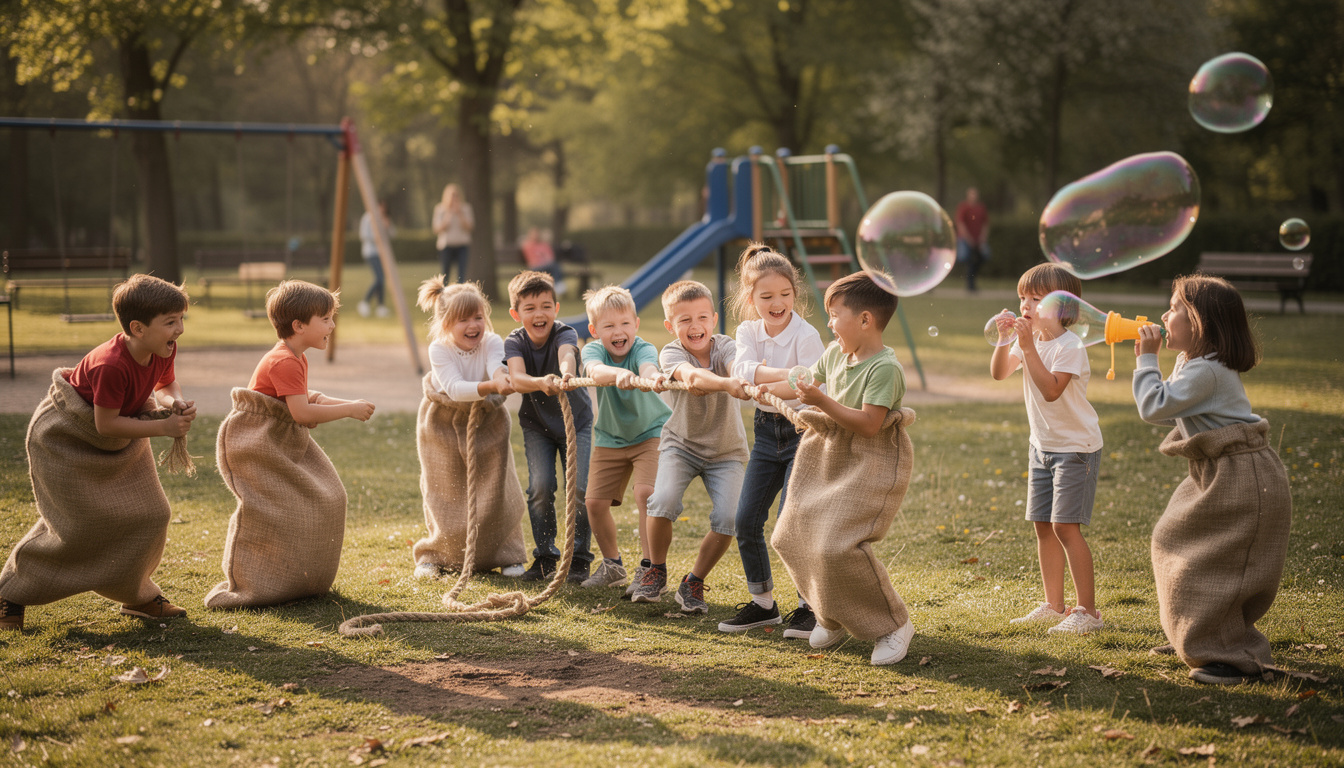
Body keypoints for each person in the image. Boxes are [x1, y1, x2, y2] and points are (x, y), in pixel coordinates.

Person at [0, 274, 196, 630]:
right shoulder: (111, 364)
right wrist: (163, 427)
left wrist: (175, 402)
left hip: (122, 439)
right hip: (66, 440)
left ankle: (136, 595)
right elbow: (105, 424)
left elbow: (165, 383)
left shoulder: (161, 348)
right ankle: (10, 593)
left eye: (181, 319)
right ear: (137, 328)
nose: (179, 329)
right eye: (170, 322)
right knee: (77, 527)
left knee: (153, 513)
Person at [1133, 275, 1290, 685]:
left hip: (1242, 473)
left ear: (1200, 322)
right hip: (1219, 468)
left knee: (1216, 562)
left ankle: (1228, 654)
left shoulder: (1210, 370)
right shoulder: (1198, 364)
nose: (1164, 316)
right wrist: (1165, 362)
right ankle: (1195, 634)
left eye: (1174, 309)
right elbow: (1174, 410)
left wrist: (1146, 359)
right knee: (1175, 541)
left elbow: (1154, 406)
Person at [758, 271, 915, 665]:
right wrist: (760, 390)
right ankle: (830, 615)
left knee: (836, 547)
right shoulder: (836, 355)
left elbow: (868, 424)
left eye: (834, 315)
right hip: (825, 453)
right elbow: (802, 383)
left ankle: (893, 625)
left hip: (868, 460)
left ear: (864, 320)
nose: (829, 324)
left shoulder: (884, 368)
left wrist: (817, 401)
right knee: (788, 536)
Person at [206, 280, 375, 608]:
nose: (332, 325)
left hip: (282, 441)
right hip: (259, 442)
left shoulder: (295, 356)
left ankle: (300, 579)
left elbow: (307, 398)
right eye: (325, 319)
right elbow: (300, 413)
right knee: (279, 507)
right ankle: (252, 584)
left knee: (329, 497)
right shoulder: (283, 359)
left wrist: (348, 402)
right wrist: (349, 410)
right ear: (299, 326)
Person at [717, 244, 825, 639]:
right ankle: (763, 604)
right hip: (766, 434)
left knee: (788, 526)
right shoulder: (747, 331)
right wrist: (786, 375)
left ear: (795, 294)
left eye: (785, 294)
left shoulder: (807, 333)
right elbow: (740, 369)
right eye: (766, 297)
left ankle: (809, 607)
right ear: (751, 299)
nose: (777, 303)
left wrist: (765, 381)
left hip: (802, 432)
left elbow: (811, 385)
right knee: (745, 520)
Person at [989, 263, 1103, 634]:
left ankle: (1087, 612)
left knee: (1065, 527)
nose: (1025, 304)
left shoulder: (1070, 346)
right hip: (1041, 446)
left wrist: (1025, 346)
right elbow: (998, 374)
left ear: (1063, 307)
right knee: (1042, 526)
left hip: (1075, 448)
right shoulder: (1032, 341)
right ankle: (1055, 605)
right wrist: (1008, 340)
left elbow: (1052, 390)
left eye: (1036, 298)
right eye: (1023, 296)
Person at [630, 281, 750, 613]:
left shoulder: (726, 347)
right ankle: (656, 569)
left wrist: (745, 374)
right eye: (684, 320)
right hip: (680, 445)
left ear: (713, 319)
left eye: (701, 318)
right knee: (662, 500)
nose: (694, 327)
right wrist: (727, 383)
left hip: (726, 451)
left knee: (730, 517)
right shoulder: (671, 353)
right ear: (671, 326)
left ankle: (693, 581)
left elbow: (739, 365)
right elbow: (692, 378)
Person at [413, 277, 528, 579]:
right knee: (442, 489)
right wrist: (492, 384)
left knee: (498, 484)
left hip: (486, 418)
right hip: (442, 422)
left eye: (477, 316)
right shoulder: (439, 349)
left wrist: (501, 377)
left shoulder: (491, 341)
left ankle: (507, 552)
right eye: (463, 319)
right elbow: (453, 388)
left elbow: (495, 366)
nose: (473, 324)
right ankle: (435, 555)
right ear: (445, 323)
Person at [577, 285, 673, 592]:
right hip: (610, 437)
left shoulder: (643, 349)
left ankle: (649, 568)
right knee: (593, 502)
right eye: (608, 326)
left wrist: (651, 375)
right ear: (594, 330)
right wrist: (616, 375)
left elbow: (647, 365)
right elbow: (595, 369)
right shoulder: (593, 350)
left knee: (645, 493)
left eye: (624, 324)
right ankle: (612, 566)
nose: (618, 332)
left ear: (636, 324)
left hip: (651, 433)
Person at [503, 270, 596, 583]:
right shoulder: (514, 341)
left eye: (545, 306)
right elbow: (516, 378)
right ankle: (544, 557)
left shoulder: (564, 332)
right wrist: (541, 383)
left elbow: (567, 354)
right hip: (537, 426)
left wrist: (565, 373)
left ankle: (580, 559)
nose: (538, 314)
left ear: (556, 308)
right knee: (540, 488)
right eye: (529, 308)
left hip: (577, 423)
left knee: (580, 489)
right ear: (517, 314)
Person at [358, 201, 395, 318]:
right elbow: (364, 235)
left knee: (381, 280)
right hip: (371, 253)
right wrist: (378, 237)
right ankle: (365, 302)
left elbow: (393, 234)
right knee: (380, 278)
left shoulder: (384, 218)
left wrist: (387, 226)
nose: (382, 210)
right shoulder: (368, 218)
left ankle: (381, 307)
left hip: (382, 253)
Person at [433, 184, 473, 283]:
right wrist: (448, 214)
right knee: (445, 274)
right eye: (452, 195)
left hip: (462, 245)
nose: (454, 198)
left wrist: (460, 214)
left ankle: (460, 295)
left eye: (456, 195)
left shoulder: (466, 208)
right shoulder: (440, 209)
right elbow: (437, 229)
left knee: (461, 274)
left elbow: (469, 227)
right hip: (446, 246)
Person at [955, 187, 989, 292]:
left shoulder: (981, 208)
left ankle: (971, 281)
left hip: (978, 240)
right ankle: (970, 283)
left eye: (975, 194)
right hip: (965, 239)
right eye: (971, 194)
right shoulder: (963, 207)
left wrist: (982, 237)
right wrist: (968, 239)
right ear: (968, 195)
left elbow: (985, 224)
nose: (973, 196)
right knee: (965, 257)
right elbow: (960, 224)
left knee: (984, 256)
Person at [521, 228, 565, 295]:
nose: (536, 236)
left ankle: (557, 285)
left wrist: (545, 261)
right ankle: (558, 285)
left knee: (555, 265)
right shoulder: (528, 245)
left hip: (547, 265)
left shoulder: (544, 245)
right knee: (554, 266)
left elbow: (550, 257)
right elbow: (532, 260)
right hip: (536, 266)